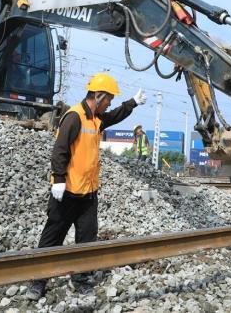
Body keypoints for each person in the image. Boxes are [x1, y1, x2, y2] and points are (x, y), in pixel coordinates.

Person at [26, 73, 147, 300]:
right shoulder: (75, 117)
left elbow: (115, 115)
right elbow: (60, 149)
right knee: (52, 237)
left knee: (87, 240)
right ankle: (38, 281)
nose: (109, 103)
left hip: (89, 193)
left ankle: (81, 280)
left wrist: (132, 103)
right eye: (108, 98)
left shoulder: (97, 118)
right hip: (67, 192)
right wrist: (58, 179)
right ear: (98, 96)